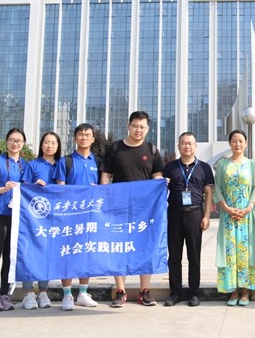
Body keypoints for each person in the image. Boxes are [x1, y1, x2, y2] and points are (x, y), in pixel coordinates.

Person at [100, 111, 164, 308]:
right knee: (118, 247)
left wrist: (161, 184)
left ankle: (145, 291)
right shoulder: (115, 148)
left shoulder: (152, 150)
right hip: (118, 208)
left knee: (146, 247)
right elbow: (106, 175)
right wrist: (106, 199)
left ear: (148, 129)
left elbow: (157, 175)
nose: (138, 130)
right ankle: (120, 291)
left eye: (142, 127)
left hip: (145, 209)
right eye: (135, 126)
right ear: (128, 126)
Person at [162, 132, 214, 307]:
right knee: (174, 256)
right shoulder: (170, 167)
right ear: (178, 146)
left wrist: (206, 216)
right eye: (183, 143)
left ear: (195, 146)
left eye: (190, 143)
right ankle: (175, 292)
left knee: (194, 256)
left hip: (195, 214)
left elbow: (208, 193)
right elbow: (161, 191)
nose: (187, 146)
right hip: (174, 214)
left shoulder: (204, 168)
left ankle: (193, 293)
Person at [53, 123, 100, 311]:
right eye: (80, 134)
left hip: (90, 216)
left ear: (93, 139)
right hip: (69, 216)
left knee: (86, 252)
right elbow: (60, 189)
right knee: (67, 253)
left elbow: (104, 188)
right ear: (75, 138)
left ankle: (83, 293)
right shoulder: (66, 161)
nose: (84, 137)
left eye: (87, 135)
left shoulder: (98, 162)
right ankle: (67, 294)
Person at [214, 130, 255, 306]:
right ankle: (233, 291)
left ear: (246, 143)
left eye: (241, 141)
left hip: (247, 217)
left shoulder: (251, 164)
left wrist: (248, 208)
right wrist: (227, 208)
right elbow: (218, 187)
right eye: (234, 141)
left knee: (247, 251)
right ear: (229, 143)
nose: (238, 144)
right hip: (228, 216)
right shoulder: (222, 164)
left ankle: (246, 291)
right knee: (229, 251)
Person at [0, 127, 28, 312]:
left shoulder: (25, 165)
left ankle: (5, 295)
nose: (15, 143)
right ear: (6, 142)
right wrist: (4, 188)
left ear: (23, 144)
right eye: (12, 140)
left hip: (16, 216)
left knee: (9, 258)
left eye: (18, 140)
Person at [19, 131, 61, 310]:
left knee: (48, 254)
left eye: (53, 143)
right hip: (34, 218)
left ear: (58, 146)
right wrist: (34, 186)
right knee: (29, 252)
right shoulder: (33, 165)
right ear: (41, 145)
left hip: (54, 218)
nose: (49, 146)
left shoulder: (61, 165)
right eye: (46, 142)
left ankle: (43, 291)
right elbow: (23, 188)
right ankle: (28, 293)